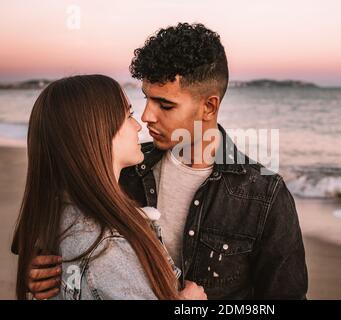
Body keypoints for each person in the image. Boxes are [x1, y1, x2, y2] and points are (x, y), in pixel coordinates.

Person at [25, 23, 308, 299]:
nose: (146, 116)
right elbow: (73, 252)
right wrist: (50, 277)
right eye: (146, 99)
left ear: (209, 107)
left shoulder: (264, 195)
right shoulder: (120, 167)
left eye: (165, 105)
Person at [11, 75, 206, 300]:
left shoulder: (57, 216)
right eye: (128, 115)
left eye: (165, 105)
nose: (138, 123)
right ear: (96, 132)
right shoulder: (107, 247)